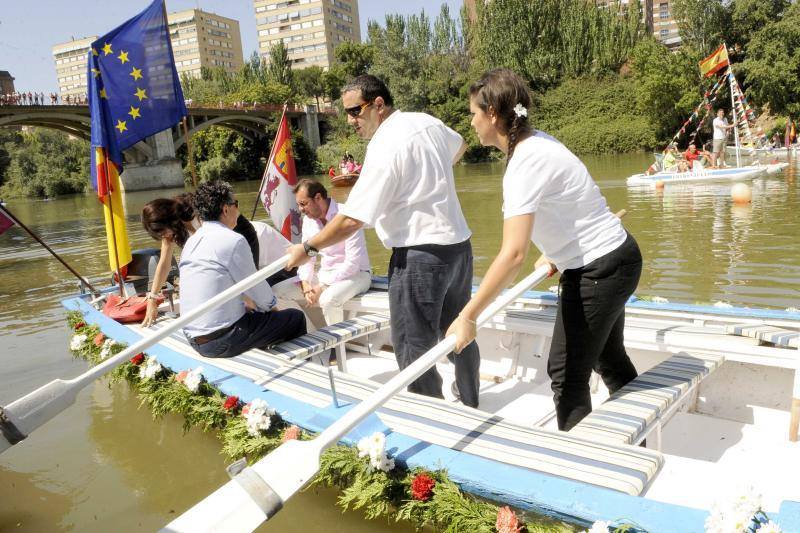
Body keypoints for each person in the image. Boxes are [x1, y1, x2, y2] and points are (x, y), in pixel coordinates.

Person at [446, 68, 643, 431]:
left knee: (565, 375)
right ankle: (636, 441)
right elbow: (569, 204)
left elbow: (512, 255)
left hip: (598, 270)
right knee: (608, 358)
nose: (471, 122)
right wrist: (555, 249)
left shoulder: (525, 161)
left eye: (474, 112)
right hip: (618, 257)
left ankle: (584, 466)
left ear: (492, 113)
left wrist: (469, 315)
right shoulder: (538, 142)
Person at [286, 74, 481, 408]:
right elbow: (460, 145)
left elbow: (351, 220)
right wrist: (429, 174)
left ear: (378, 104)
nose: (350, 121)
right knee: (460, 328)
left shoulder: (384, 144)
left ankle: (430, 418)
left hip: (418, 255)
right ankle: (469, 398)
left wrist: (307, 248)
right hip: (458, 249)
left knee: (412, 345)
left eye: (354, 111)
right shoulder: (427, 122)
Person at [179, 180, 307, 358]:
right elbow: (256, 287)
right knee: (294, 318)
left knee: (255, 315)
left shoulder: (191, 242)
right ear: (225, 209)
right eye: (236, 205)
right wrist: (274, 312)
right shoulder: (233, 240)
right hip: (221, 340)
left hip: (193, 338)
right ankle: (301, 371)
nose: (238, 211)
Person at [141, 193, 260, 327]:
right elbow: (164, 264)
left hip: (239, 234)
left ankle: (259, 318)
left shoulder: (197, 211)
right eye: (161, 235)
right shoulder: (171, 233)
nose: (165, 236)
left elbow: (219, 244)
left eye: (163, 232)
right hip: (215, 248)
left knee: (247, 287)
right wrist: (152, 298)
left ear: (169, 219)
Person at [294, 179, 371, 326]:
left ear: (318, 198)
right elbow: (308, 256)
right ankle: (313, 335)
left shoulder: (347, 215)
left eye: (303, 204)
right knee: (280, 290)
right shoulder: (308, 221)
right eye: (299, 205)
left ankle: (337, 347)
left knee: (328, 300)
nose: (300, 209)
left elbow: (352, 263)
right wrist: (305, 283)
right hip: (326, 274)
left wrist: (322, 286)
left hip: (358, 274)